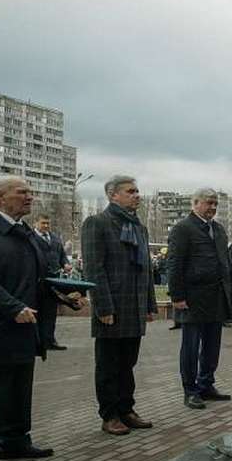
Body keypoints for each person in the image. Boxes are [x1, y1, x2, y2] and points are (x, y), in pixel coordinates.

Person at [0, 176, 82, 461]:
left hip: (25, 325)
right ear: (0, 196)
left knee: (18, 388)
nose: (29, 196)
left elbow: (39, 279)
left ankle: (14, 441)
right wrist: (13, 308)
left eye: (30, 191)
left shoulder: (26, 233)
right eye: (21, 192)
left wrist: (64, 296)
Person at [81, 175, 158, 436]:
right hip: (111, 308)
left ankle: (127, 409)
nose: (137, 195)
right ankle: (110, 414)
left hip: (133, 308)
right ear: (113, 195)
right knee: (108, 365)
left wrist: (149, 304)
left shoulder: (139, 227)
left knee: (128, 362)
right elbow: (94, 269)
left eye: (137, 191)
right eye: (131, 191)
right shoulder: (98, 223)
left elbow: (145, 270)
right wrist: (103, 307)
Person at [168, 188, 232, 410]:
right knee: (191, 347)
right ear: (195, 203)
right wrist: (177, 296)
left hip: (216, 297)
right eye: (209, 203)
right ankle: (191, 391)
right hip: (193, 299)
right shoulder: (183, 229)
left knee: (212, 347)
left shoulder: (218, 229)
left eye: (215, 204)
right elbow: (175, 264)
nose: (213, 208)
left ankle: (206, 385)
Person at [33, 214, 70, 351]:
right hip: (36, 282)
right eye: (43, 223)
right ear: (36, 223)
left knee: (50, 312)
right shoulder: (30, 238)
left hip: (54, 282)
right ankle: (36, 342)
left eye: (48, 223)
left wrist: (65, 264)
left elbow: (62, 256)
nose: (46, 226)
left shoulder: (55, 238)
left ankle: (49, 340)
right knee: (37, 312)